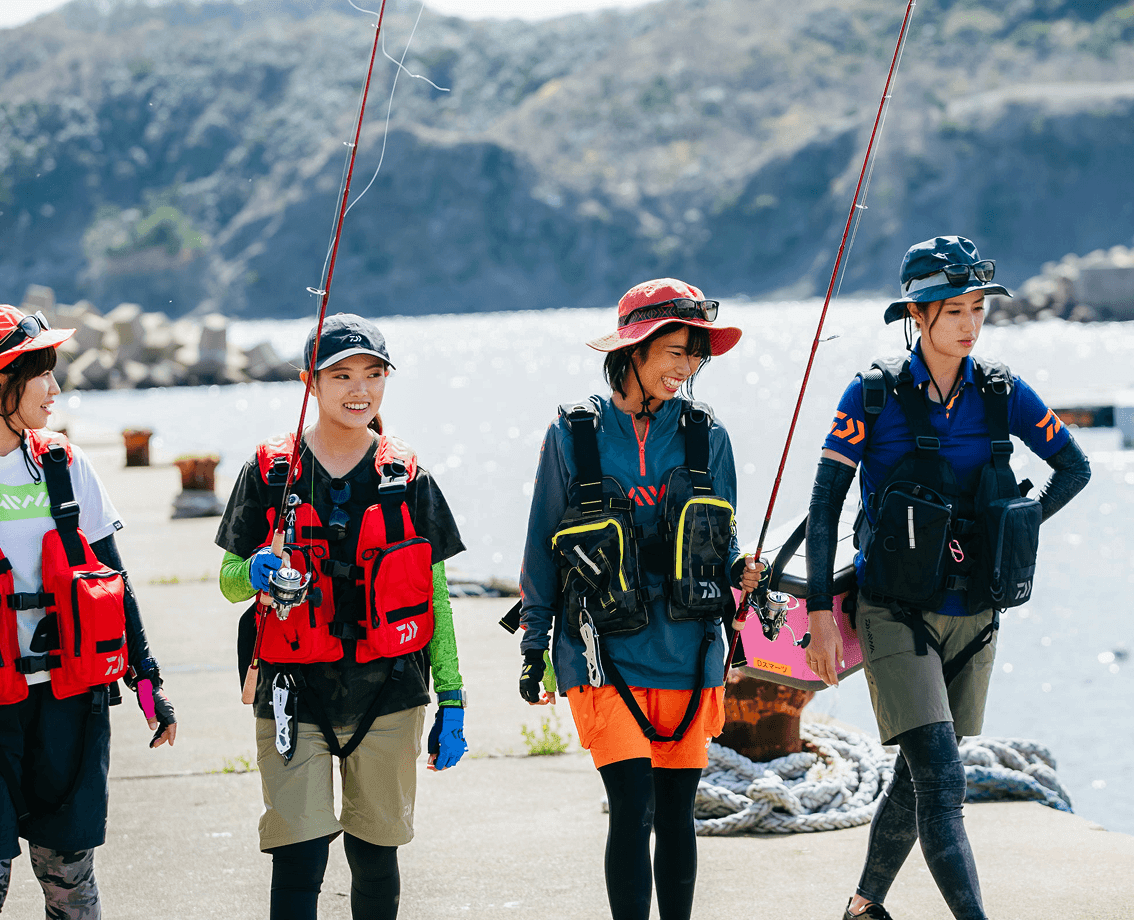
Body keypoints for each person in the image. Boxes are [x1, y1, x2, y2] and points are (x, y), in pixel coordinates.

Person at [802, 236, 1092, 920]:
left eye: (976, 310)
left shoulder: (1003, 391)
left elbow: (1074, 468)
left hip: (975, 614)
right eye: (953, 310)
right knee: (943, 777)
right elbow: (824, 508)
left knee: (920, 772)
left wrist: (1017, 529)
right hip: (893, 610)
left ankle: (863, 905)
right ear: (916, 313)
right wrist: (818, 612)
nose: (969, 323)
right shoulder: (870, 396)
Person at [0, 305, 177, 920]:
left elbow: (115, 581)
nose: (56, 389)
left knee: (70, 884)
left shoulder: (67, 465)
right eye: (43, 374)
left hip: (68, 704)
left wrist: (148, 680)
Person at [517, 279, 764, 920]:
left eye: (695, 356)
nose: (686, 370)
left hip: (690, 649)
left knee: (678, 813)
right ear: (635, 348)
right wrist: (533, 646)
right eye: (676, 352)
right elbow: (544, 545)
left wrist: (740, 570)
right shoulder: (573, 433)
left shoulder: (709, 436)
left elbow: (722, 533)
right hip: (602, 651)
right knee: (632, 804)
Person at [215, 313, 468, 920]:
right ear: (310, 382)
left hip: (392, 691)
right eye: (342, 375)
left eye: (374, 374)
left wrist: (453, 696)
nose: (360, 389)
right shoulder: (270, 474)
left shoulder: (409, 479)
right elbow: (227, 583)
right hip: (290, 692)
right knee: (297, 856)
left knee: (376, 856)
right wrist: (254, 572)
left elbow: (435, 596)